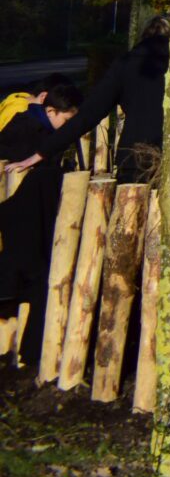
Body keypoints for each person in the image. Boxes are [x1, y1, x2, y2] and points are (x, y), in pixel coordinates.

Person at [11, 16, 170, 184]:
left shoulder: (125, 65)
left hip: (134, 156)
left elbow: (88, 115)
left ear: (144, 36)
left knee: (132, 206)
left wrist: (41, 153)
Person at [0, 79, 80, 352]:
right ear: (50, 112)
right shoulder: (27, 132)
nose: (69, 127)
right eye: (66, 120)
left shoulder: (36, 126)